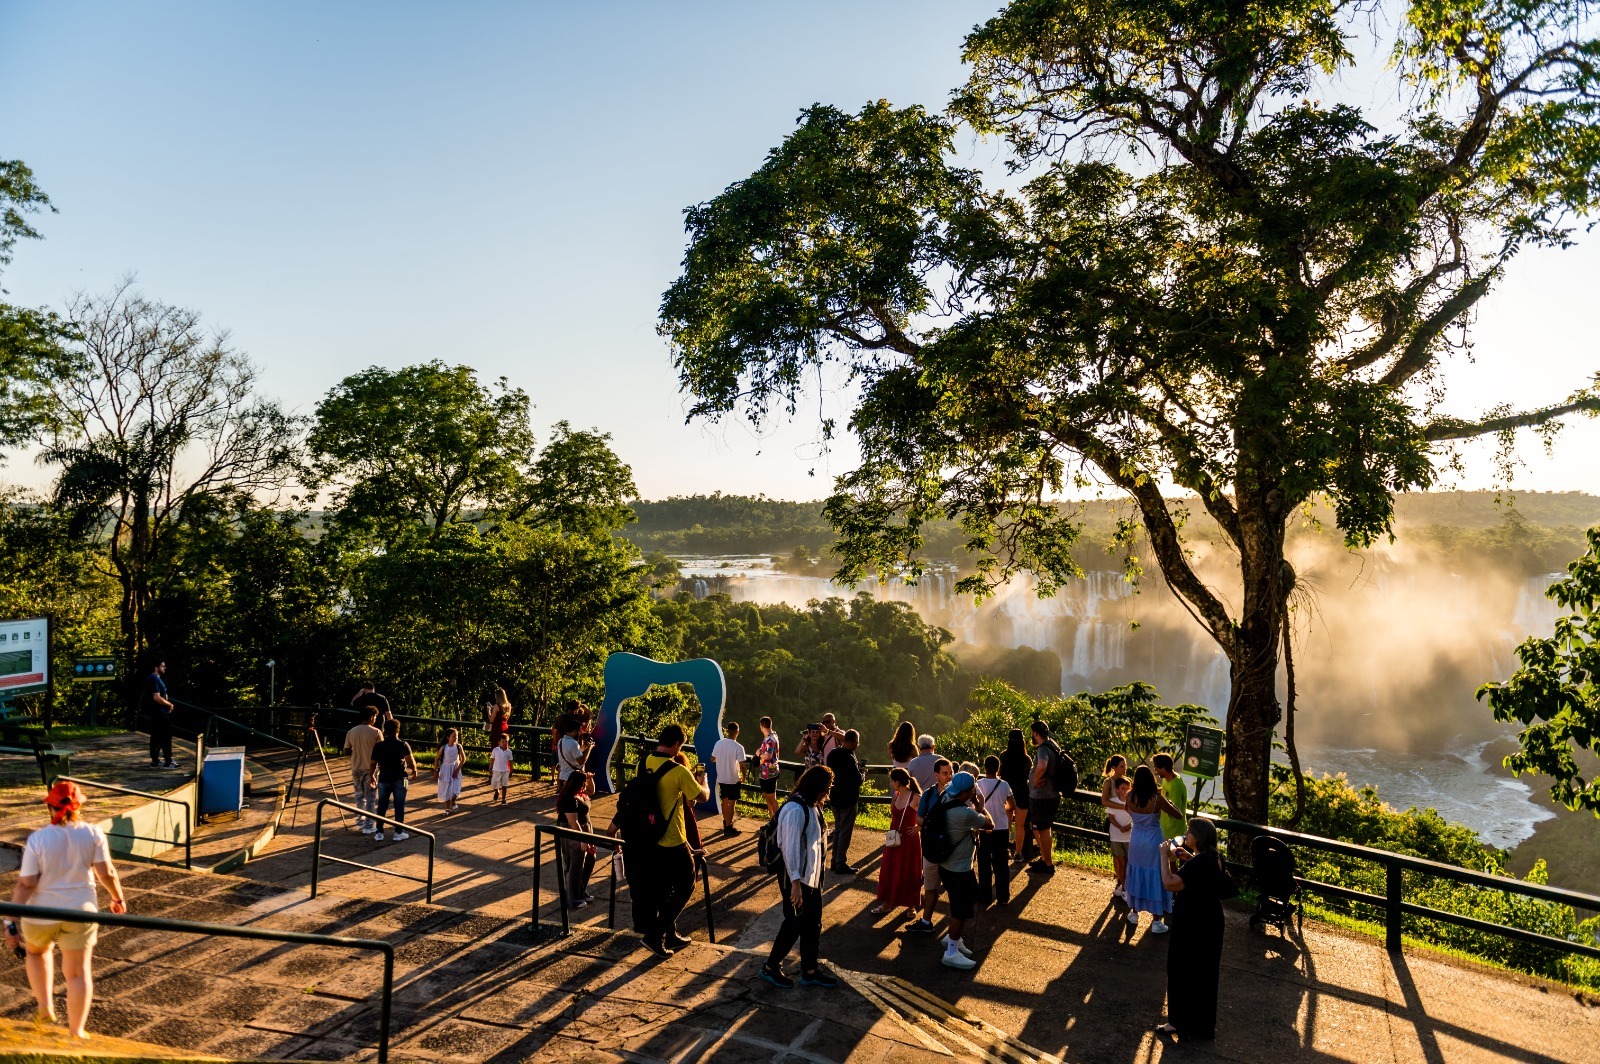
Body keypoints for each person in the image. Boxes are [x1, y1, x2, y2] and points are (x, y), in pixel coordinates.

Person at [6, 781, 127, 1040]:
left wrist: (10, 920)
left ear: (49, 806)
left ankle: (45, 1007)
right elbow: (106, 873)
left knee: (37, 953)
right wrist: (117, 897)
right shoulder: (93, 833)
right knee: (77, 974)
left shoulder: (37, 839)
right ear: (79, 806)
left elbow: (27, 883)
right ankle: (76, 1031)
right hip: (80, 911)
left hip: (40, 913)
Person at [632, 724, 709, 957]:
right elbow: (701, 797)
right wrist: (703, 781)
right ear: (677, 744)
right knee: (687, 885)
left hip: (648, 838)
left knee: (665, 890)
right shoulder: (679, 771)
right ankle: (655, 936)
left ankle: (670, 935)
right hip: (673, 839)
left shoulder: (642, 764)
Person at [761, 765, 838, 989]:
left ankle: (810, 971)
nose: (828, 793)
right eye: (826, 788)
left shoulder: (812, 806)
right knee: (794, 923)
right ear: (816, 787)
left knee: (813, 924)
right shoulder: (795, 810)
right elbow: (790, 848)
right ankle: (770, 967)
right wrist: (795, 884)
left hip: (810, 878)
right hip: (795, 878)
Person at [1158, 818, 1227, 1041]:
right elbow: (1205, 877)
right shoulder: (1215, 858)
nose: (1186, 834)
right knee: (1204, 973)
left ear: (1198, 837)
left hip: (1191, 921)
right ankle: (1202, 1026)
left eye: (1189, 832)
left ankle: (1176, 1022)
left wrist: (1163, 856)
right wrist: (1187, 858)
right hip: (1211, 921)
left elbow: (1170, 883)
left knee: (1179, 968)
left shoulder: (1198, 863)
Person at [933, 772, 992, 969]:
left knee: (962, 903)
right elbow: (989, 824)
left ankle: (953, 939)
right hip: (959, 870)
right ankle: (950, 952)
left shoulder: (945, 798)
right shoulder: (965, 813)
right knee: (960, 911)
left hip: (947, 865)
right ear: (967, 792)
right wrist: (980, 804)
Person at [1124, 765, 1182, 933]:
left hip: (1136, 840)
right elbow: (1177, 814)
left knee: (1137, 873)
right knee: (1156, 874)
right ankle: (1156, 921)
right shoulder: (1157, 799)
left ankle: (1134, 913)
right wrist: (1170, 802)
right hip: (1153, 840)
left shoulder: (1129, 796)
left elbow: (1127, 810)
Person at [905, 757, 953, 934]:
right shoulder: (928, 795)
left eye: (951, 773)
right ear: (936, 775)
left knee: (953, 888)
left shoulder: (957, 793)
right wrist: (931, 824)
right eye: (945, 773)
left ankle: (954, 926)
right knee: (930, 886)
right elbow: (918, 817)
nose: (949, 776)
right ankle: (926, 921)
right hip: (932, 847)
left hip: (950, 848)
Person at [870, 768, 922, 918]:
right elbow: (893, 813)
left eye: (892, 781)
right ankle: (887, 903)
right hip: (894, 837)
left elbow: (930, 814)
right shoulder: (896, 794)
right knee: (889, 869)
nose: (890, 783)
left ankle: (911, 905)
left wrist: (918, 827)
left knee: (909, 871)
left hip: (909, 839)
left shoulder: (916, 797)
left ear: (898, 782)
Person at [975, 757, 1015, 908]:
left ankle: (984, 896)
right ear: (998, 769)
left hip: (983, 826)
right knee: (1001, 864)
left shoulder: (978, 784)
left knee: (984, 863)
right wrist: (1001, 809)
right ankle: (1003, 896)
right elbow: (1012, 805)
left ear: (984, 768)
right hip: (1001, 828)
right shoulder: (1004, 785)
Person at [826, 729, 865, 874]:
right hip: (848, 799)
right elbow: (857, 779)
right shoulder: (849, 757)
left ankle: (834, 860)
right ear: (854, 742)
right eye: (857, 742)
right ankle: (841, 862)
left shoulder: (832, 754)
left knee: (837, 830)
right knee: (845, 831)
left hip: (835, 797)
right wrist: (862, 773)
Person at [370, 719, 417, 841]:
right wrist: (414, 770)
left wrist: (371, 775)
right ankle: (398, 831)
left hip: (384, 778)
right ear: (398, 730)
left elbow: (373, 763)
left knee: (382, 805)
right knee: (399, 805)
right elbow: (410, 761)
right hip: (399, 778)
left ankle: (379, 831)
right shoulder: (403, 745)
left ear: (384, 731)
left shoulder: (379, 746)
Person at [556, 769, 597, 909]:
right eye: (584, 783)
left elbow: (591, 791)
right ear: (578, 784)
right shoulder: (569, 798)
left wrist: (590, 778)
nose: (585, 786)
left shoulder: (581, 793)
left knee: (590, 859)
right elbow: (573, 822)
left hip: (585, 829)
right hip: (574, 832)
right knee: (575, 863)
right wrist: (582, 839)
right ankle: (573, 897)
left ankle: (580, 889)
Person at [1026, 721, 1061, 875]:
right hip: (1052, 794)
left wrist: (1035, 780)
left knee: (1043, 830)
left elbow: (1042, 765)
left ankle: (1048, 864)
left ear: (1035, 734)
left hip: (1042, 796)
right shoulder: (1053, 745)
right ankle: (1044, 859)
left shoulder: (1042, 749)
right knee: (1044, 828)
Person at [341, 708, 383, 833]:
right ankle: (369, 825)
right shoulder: (376, 732)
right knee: (370, 797)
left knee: (359, 796)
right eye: (375, 717)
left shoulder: (351, 731)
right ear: (371, 716)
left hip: (356, 767)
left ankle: (360, 821)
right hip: (371, 768)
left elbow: (346, 751)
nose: (375, 719)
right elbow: (381, 750)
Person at [1000, 729, 1033, 861]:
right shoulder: (1027, 759)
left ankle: (1004, 850)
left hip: (1007, 792)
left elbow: (1001, 774)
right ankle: (1018, 853)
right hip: (1022, 793)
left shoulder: (1004, 756)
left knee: (1006, 823)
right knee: (1020, 825)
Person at [711, 721, 747, 837]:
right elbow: (742, 765)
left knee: (724, 801)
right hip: (733, 779)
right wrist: (744, 776)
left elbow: (712, 759)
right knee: (731, 803)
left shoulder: (718, 743)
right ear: (737, 732)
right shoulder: (739, 747)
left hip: (721, 778)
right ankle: (728, 827)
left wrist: (722, 759)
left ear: (727, 731)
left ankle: (725, 821)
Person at [140, 660, 176, 770]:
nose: (165, 668)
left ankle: (155, 761)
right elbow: (156, 697)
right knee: (165, 735)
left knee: (156, 736)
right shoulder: (154, 679)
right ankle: (168, 761)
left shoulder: (156, 679)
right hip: (158, 712)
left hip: (158, 712)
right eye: (163, 666)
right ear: (156, 667)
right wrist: (169, 705)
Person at [1153, 753, 1189, 843]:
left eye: (1156, 768)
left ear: (1163, 769)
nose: (1155, 770)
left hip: (1174, 833)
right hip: (1165, 830)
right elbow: (1165, 791)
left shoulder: (1176, 786)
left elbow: (1175, 811)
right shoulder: (1167, 778)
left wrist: (1156, 804)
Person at [1108, 776, 1133, 902]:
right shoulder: (1113, 801)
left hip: (1129, 836)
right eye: (1123, 788)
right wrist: (1120, 827)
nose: (1125, 790)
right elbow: (1111, 818)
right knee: (1121, 861)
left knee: (1129, 862)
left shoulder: (1132, 802)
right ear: (1117, 789)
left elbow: (1136, 817)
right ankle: (1124, 886)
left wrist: (1129, 826)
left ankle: (1126, 887)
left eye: (1127, 788)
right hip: (1116, 835)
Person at [434, 728, 464, 814]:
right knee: (446, 789)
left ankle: (453, 801)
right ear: (448, 737)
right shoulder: (444, 748)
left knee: (456, 788)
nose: (456, 738)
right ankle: (447, 808)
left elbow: (463, 759)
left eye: (456, 736)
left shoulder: (458, 747)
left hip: (455, 769)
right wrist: (435, 770)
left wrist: (457, 770)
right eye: (453, 736)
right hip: (445, 771)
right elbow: (437, 759)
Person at [555, 713, 590, 785]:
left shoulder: (561, 741)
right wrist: (589, 748)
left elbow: (570, 754)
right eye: (580, 731)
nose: (580, 733)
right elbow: (581, 762)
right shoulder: (573, 743)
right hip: (573, 778)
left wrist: (583, 749)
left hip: (563, 776)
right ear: (575, 732)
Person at [757, 717, 781, 817]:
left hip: (770, 772)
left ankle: (778, 820)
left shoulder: (770, 739)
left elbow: (769, 756)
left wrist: (759, 754)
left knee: (771, 798)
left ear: (761, 726)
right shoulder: (770, 736)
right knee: (768, 797)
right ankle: (772, 820)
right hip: (765, 772)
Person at [489, 733, 513, 806]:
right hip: (496, 770)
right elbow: (492, 759)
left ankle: (503, 799)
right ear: (499, 742)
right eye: (503, 741)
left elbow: (511, 762)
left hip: (505, 770)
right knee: (494, 784)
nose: (505, 743)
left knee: (504, 785)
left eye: (506, 741)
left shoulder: (509, 752)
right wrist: (490, 767)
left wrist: (511, 771)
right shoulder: (495, 750)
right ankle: (497, 791)